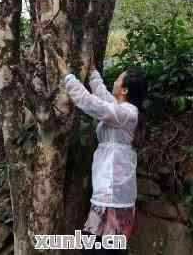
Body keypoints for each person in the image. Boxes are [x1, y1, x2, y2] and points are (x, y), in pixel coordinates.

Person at [55, 54, 147, 254]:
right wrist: (92, 71)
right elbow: (101, 96)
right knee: (94, 247)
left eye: (118, 80)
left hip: (114, 195)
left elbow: (91, 103)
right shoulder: (120, 109)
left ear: (124, 90)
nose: (114, 81)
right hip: (108, 192)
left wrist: (66, 75)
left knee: (102, 250)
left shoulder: (127, 114)